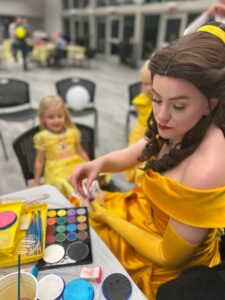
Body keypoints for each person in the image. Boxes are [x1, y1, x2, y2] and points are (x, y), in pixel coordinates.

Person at [70, 22, 225, 299]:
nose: (162, 116)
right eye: (156, 98)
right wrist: (100, 164)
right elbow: (138, 150)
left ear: (210, 104)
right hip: (142, 215)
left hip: (164, 261)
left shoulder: (208, 166)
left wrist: (107, 217)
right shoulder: (175, 124)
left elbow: (169, 256)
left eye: (178, 105)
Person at [30, 95, 89, 199]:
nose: (56, 120)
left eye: (59, 116)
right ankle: (76, 201)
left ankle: (88, 199)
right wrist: (36, 182)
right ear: (43, 118)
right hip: (56, 171)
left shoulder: (73, 132)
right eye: (51, 117)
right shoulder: (42, 137)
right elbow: (39, 161)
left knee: (84, 178)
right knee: (62, 183)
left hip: (75, 164)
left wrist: (90, 165)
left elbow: (81, 152)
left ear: (65, 116)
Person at [125, 60, 153, 183]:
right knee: (135, 162)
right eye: (145, 84)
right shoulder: (142, 101)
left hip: (152, 137)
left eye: (151, 84)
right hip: (139, 134)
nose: (148, 88)